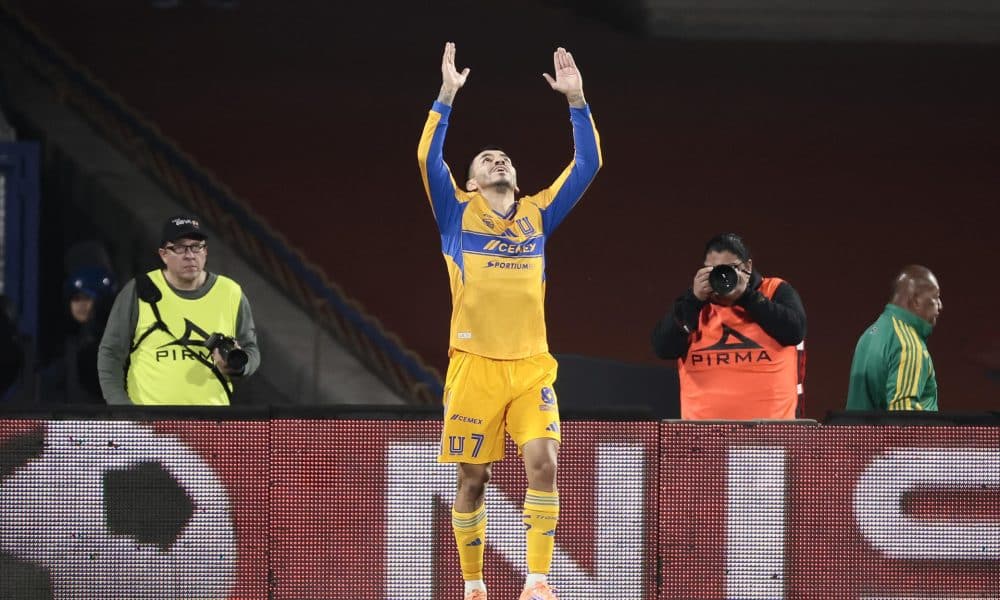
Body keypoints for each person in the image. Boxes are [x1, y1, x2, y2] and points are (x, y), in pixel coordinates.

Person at [417, 43, 601, 600]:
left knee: (543, 463)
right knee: (473, 479)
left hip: (530, 369)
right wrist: (446, 96)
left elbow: (588, 164)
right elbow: (428, 159)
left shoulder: (538, 215)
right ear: (470, 182)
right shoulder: (455, 213)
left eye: (505, 160)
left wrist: (578, 103)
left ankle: (538, 581)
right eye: (486, 159)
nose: (499, 161)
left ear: (517, 181)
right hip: (473, 368)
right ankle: (473, 584)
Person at [97, 215, 260, 405]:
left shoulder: (230, 292)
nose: (190, 255)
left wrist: (238, 367)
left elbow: (251, 350)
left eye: (196, 246)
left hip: (211, 423)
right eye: (180, 248)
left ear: (205, 252)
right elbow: (111, 353)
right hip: (149, 424)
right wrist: (121, 406)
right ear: (163, 254)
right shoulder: (139, 289)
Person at [651, 233, 807, 420]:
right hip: (702, 438)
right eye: (712, 269)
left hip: (770, 436)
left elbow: (795, 332)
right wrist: (693, 300)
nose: (723, 276)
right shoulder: (693, 303)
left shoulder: (774, 291)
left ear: (748, 267)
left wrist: (747, 297)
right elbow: (663, 348)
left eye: (731, 268)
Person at [846, 265, 942, 411]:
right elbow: (903, 423)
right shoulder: (908, 345)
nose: (940, 305)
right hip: (892, 434)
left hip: (859, 433)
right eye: (935, 297)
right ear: (916, 301)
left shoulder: (870, 334)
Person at [38, 266, 118, 403]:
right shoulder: (66, 343)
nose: (80, 305)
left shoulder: (115, 341)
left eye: (87, 299)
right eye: (76, 299)